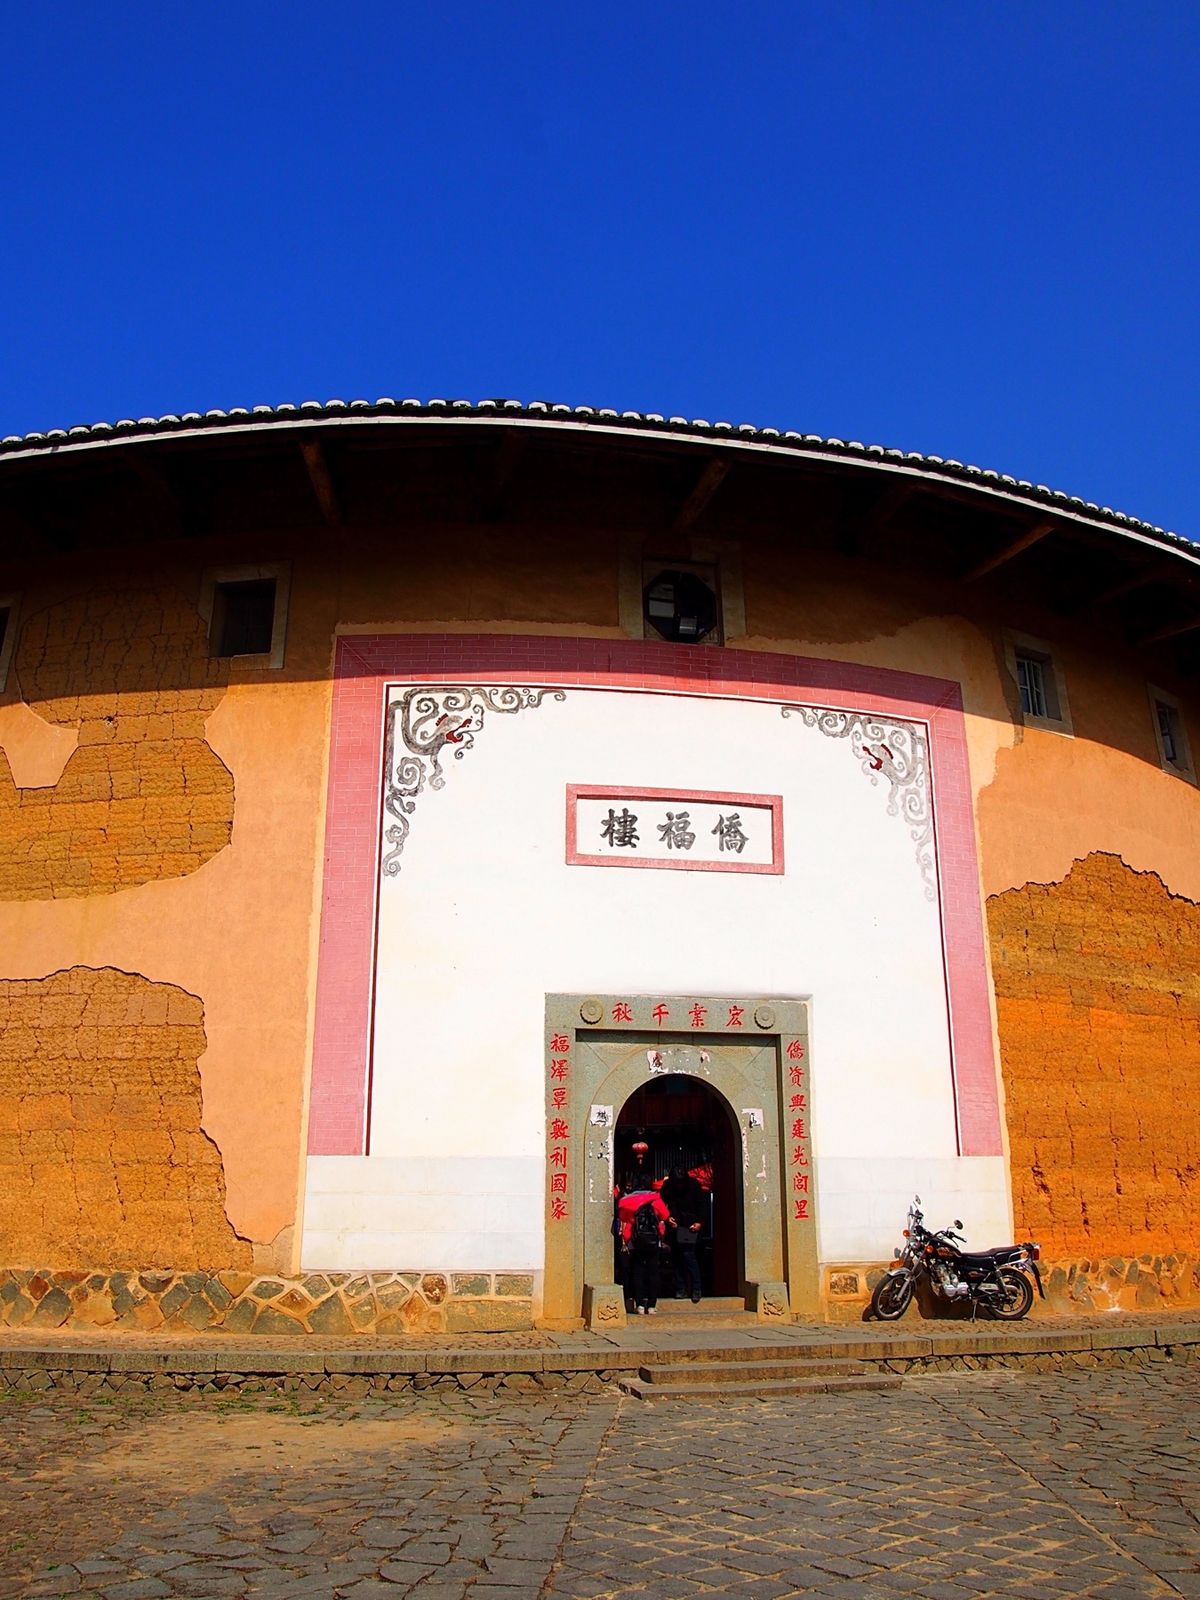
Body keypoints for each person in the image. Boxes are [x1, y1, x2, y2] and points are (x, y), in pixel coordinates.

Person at [615, 1181, 670, 1315]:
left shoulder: (628, 1202)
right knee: (653, 1272)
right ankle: (651, 1305)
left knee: (637, 1272)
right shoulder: (656, 1200)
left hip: (635, 1242)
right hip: (653, 1242)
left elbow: (623, 1218)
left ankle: (639, 1305)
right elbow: (665, 1216)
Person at [661, 1164, 706, 1303]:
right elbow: (661, 1204)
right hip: (674, 1224)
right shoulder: (668, 1186)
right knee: (676, 1258)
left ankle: (696, 1288)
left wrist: (699, 1222)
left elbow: (702, 1205)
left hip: (690, 1224)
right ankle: (681, 1288)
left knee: (689, 1257)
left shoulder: (694, 1185)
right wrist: (667, 1217)